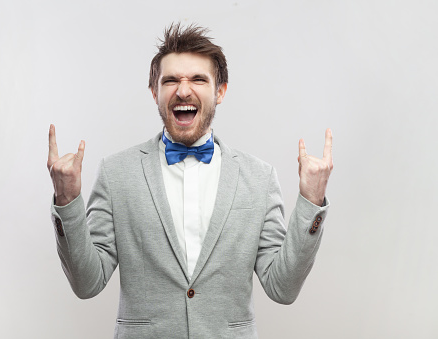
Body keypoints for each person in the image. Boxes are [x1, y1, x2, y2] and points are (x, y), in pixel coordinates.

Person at [47, 23, 333, 339]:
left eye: (198, 79)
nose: (183, 90)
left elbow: (283, 287)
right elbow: (87, 283)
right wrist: (67, 199)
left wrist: (311, 200)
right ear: (155, 93)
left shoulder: (259, 178)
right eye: (170, 80)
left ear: (220, 91)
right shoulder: (117, 174)